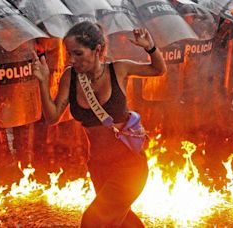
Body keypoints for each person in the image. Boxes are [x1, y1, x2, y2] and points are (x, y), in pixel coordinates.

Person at [32, 21, 166, 227]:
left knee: (93, 220)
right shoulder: (70, 76)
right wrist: (42, 82)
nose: (72, 59)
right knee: (121, 221)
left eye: (78, 53)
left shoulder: (118, 69)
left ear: (97, 50)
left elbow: (158, 70)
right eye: (69, 53)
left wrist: (150, 47)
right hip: (99, 166)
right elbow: (52, 117)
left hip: (129, 165)